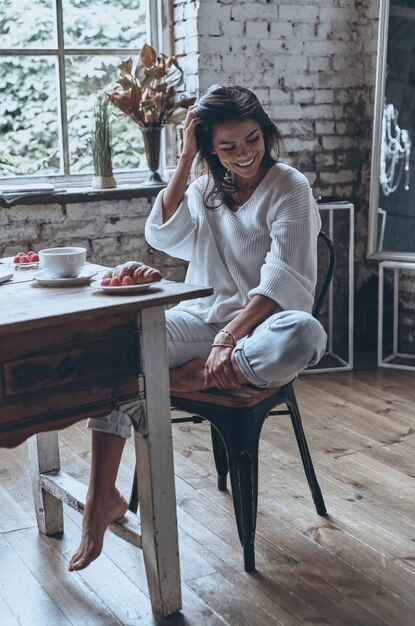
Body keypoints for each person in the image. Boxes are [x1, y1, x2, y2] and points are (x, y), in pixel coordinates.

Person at [68, 84, 327, 571]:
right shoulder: (206, 187)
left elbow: (284, 278)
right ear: (210, 147)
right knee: (121, 346)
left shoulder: (290, 186)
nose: (244, 154)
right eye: (226, 147)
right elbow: (163, 234)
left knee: (306, 334)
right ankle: (102, 497)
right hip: (202, 321)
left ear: (264, 132)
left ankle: (187, 379)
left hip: (260, 331)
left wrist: (232, 338)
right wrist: (186, 158)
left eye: (252, 140)